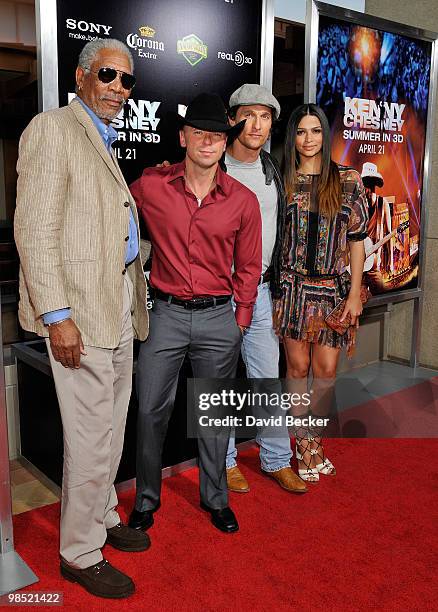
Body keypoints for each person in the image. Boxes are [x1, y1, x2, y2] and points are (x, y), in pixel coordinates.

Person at [14, 39, 150, 599]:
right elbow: (35, 231)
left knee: (112, 428)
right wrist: (56, 315)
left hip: (116, 302)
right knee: (90, 437)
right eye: (110, 76)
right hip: (78, 313)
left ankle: (102, 517)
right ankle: (79, 551)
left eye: (128, 80)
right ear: (82, 76)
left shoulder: (103, 139)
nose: (120, 88)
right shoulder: (52, 129)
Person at [128, 93, 262, 534]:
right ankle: (146, 500)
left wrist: (240, 321)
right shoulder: (151, 186)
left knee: (214, 414)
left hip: (218, 318)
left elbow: (248, 266)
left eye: (217, 136)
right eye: (199, 133)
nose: (208, 142)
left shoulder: (242, 200)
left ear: (226, 144)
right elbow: (112, 216)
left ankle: (215, 498)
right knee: (149, 411)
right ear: (184, 137)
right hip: (163, 315)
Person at [273, 104, 368, 482]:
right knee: (296, 368)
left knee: (325, 372)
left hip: (331, 291)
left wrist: (355, 293)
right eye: (300, 131)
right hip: (292, 288)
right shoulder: (282, 178)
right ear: (292, 137)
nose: (308, 139)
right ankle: (305, 443)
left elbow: (358, 240)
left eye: (315, 131)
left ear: (325, 136)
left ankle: (310, 434)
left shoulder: (347, 180)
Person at [224, 84, 307, 495]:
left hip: (260, 292)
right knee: (219, 380)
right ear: (232, 119)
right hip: (219, 292)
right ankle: (223, 464)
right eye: (248, 115)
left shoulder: (273, 171)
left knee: (266, 380)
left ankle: (276, 459)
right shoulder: (211, 164)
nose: (256, 124)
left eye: (265, 117)